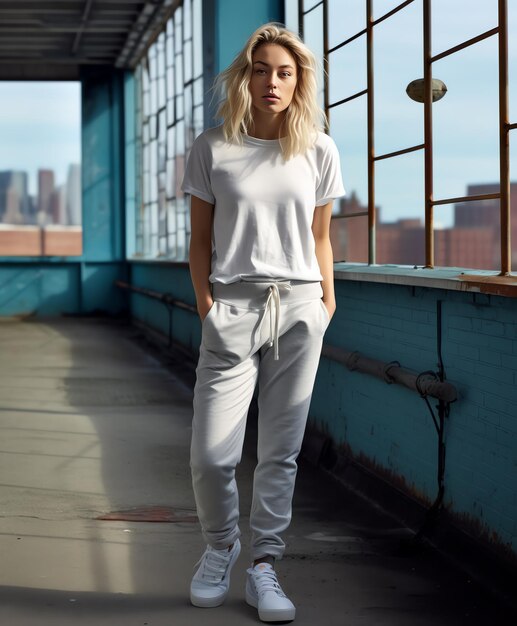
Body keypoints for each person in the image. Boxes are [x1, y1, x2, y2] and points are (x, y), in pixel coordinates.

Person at [181, 22, 345, 623]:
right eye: (260, 70)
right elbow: (199, 242)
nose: (272, 82)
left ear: (299, 81)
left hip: (300, 310)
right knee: (210, 455)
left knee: (280, 453)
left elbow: (321, 236)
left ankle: (262, 567)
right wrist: (207, 306)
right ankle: (220, 548)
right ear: (244, 77)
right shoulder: (213, 147)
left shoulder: (318, 149)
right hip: (232, 309)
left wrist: (327, 305)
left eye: (285, 72)